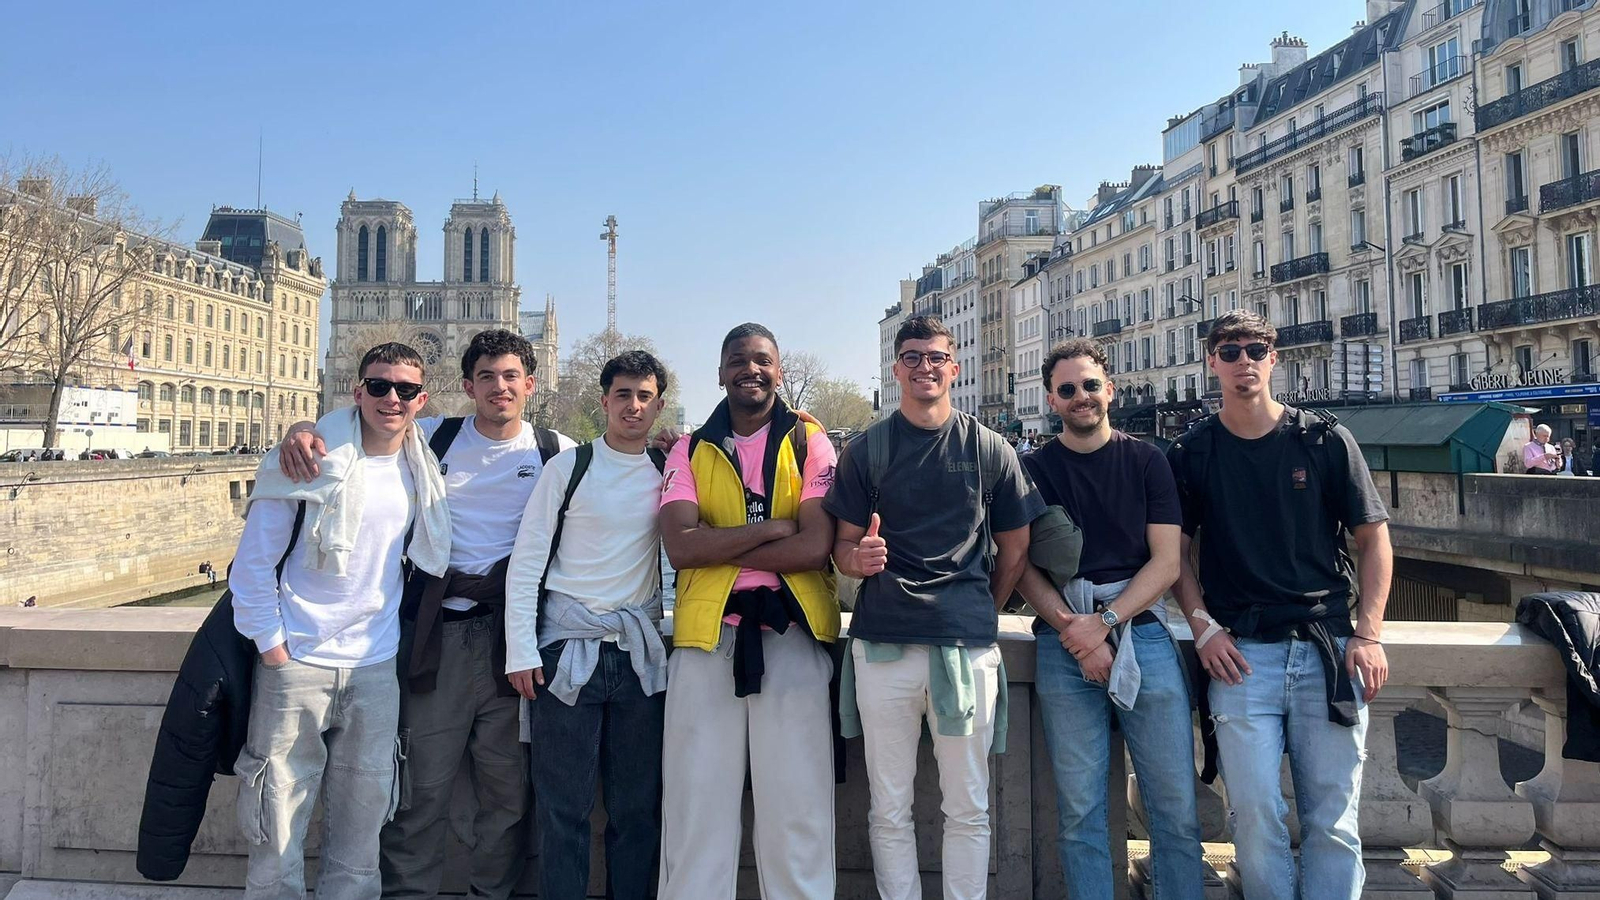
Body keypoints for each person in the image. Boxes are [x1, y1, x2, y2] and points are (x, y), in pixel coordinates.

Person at [277, 328, 574, 899]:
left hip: (513, 642)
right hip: (435, 638)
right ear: (466, 385)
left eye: (511, 376)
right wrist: (302, 428)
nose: (499, 387)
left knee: (508, 798)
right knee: (418, 794)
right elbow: (362, 422)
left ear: (531, 385)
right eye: (486, 376)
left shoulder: (555, 452)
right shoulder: (432, 436)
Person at [1166, 311, 1392, 899]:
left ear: (1274, 358)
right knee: (1254, 815)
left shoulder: (1322, 439)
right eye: (1230, 350)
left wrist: (1367, 633)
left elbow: (1373, 540)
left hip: (1327, 652)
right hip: (1241, 657)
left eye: (1256, 349)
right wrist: (1203, 627)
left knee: (1333, 819)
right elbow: (1176, 559)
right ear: (1212, 362)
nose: (1244, 361)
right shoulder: (1191, 452)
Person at [825, 314, 1043, 900]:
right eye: (913, 356)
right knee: (890, 804)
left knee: (968, 804)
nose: (926, 366)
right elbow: (841, 548)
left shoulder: (989, 447)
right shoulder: (868, 450)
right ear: (897, 368)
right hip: (885, 645)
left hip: (963, 647)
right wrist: (859, 560)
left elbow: (1017, 545)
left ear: (954, 366)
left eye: (936, 357)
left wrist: (977, 609)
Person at [229, 341, 450, 900]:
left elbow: (505, 425)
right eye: (379, 386)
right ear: (357, 392)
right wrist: (275, 650)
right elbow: (251, 566)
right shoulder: (308, 456)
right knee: (275, 831)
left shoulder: (421, 462)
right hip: (298, 662)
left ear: (422, 400)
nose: (391, 398)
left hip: (375, 667)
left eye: (404, 389)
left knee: (362, 839)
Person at [1015, 338, 1204, 899]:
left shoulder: (1148, 460)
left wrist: (1103, 622)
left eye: (1090, 385)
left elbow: (1169, 562)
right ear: (1051, 400)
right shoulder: (1032, 469)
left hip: (1140, 633)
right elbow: (1021, 565)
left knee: (1175, 809)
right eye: (1067, 389)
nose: (1081, 397)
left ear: (1110, 390)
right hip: (1064, 641)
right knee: (1080, 813)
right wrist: (1077, 631)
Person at [657, 323, 840, 900]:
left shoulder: (812, 443)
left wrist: (724, 540)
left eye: (762, 360)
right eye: (739, 360)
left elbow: (815, 547)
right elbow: (680, 547)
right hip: (708, 637)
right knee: (695, 805)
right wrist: (772, 529)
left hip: (792, 633)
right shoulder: (689, 448)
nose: (751, 369)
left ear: (779, 372)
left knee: (799, 806)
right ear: (720, 373)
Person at [505, 350, 671, 900]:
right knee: (562, 808)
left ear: (658, 405)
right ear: (605, 401)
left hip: (636, 657)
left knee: (637, 808)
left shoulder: (668, 473)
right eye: (623, 394)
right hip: (565, 655)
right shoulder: (568, 468)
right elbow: (528, 560)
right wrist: (521, 650)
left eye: (644, 396)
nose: (633, 405)